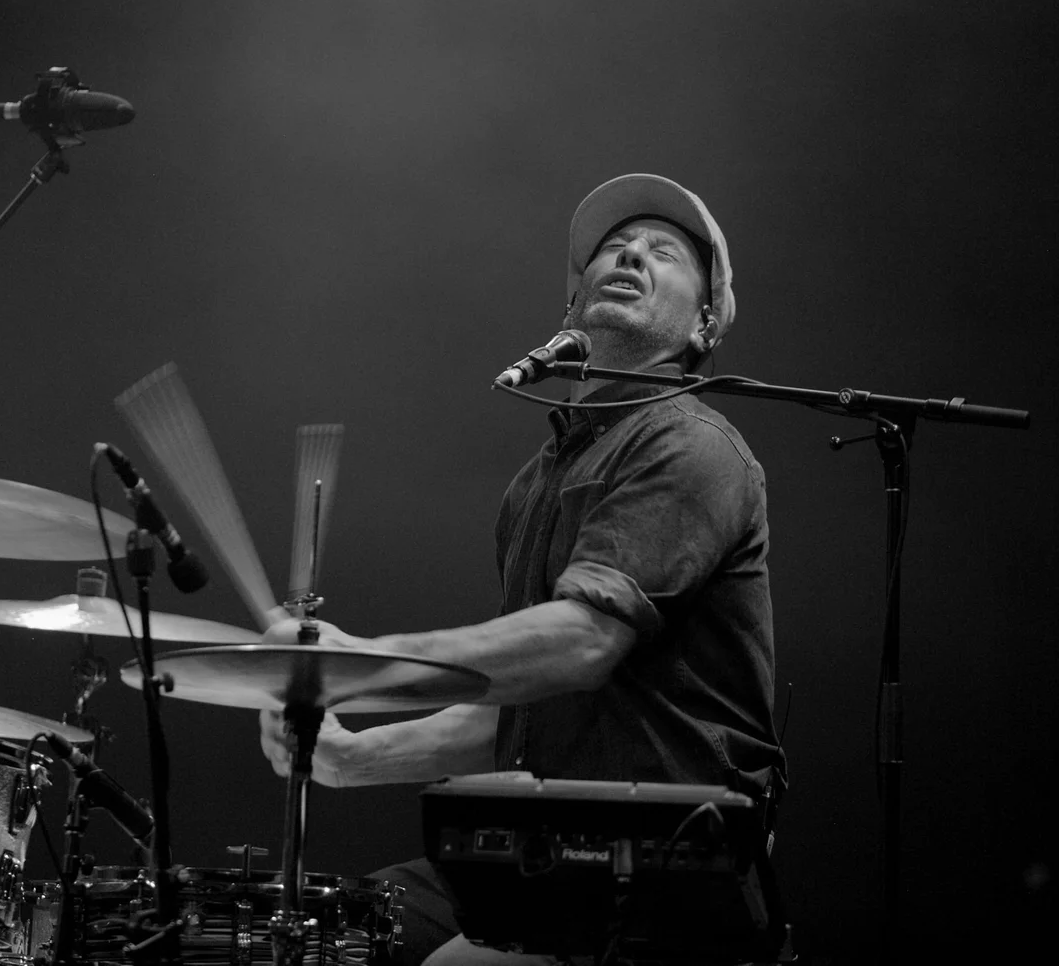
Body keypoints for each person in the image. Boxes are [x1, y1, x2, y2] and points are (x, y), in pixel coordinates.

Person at [259, 173, 787, 964]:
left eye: (663, 252)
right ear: (572, 305)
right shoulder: (536, 483)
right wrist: (345, 757)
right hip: (551, 848)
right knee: (326, 939)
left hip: (667, 868)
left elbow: (579, 643)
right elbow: (518, 712)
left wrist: (357, 666)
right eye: (615, 247)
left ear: (705, 322)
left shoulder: (691, 444)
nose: (630, 255)